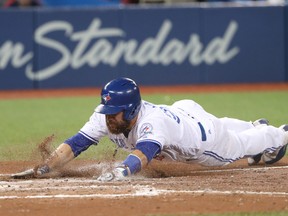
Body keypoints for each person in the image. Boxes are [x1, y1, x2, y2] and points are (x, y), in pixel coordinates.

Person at [13, 77, 288, 181]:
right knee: (227, 127)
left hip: (204, 139)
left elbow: (144, 152)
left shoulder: (150, 123)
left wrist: (123, 170)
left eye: (114, 112)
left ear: (131, 110)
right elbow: (76, 143)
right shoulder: (105, 115)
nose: (108, 118)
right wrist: (46, 167)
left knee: (238, 147)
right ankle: (254, 127)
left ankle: (277, 135)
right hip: (185, 112)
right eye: (107, 110)